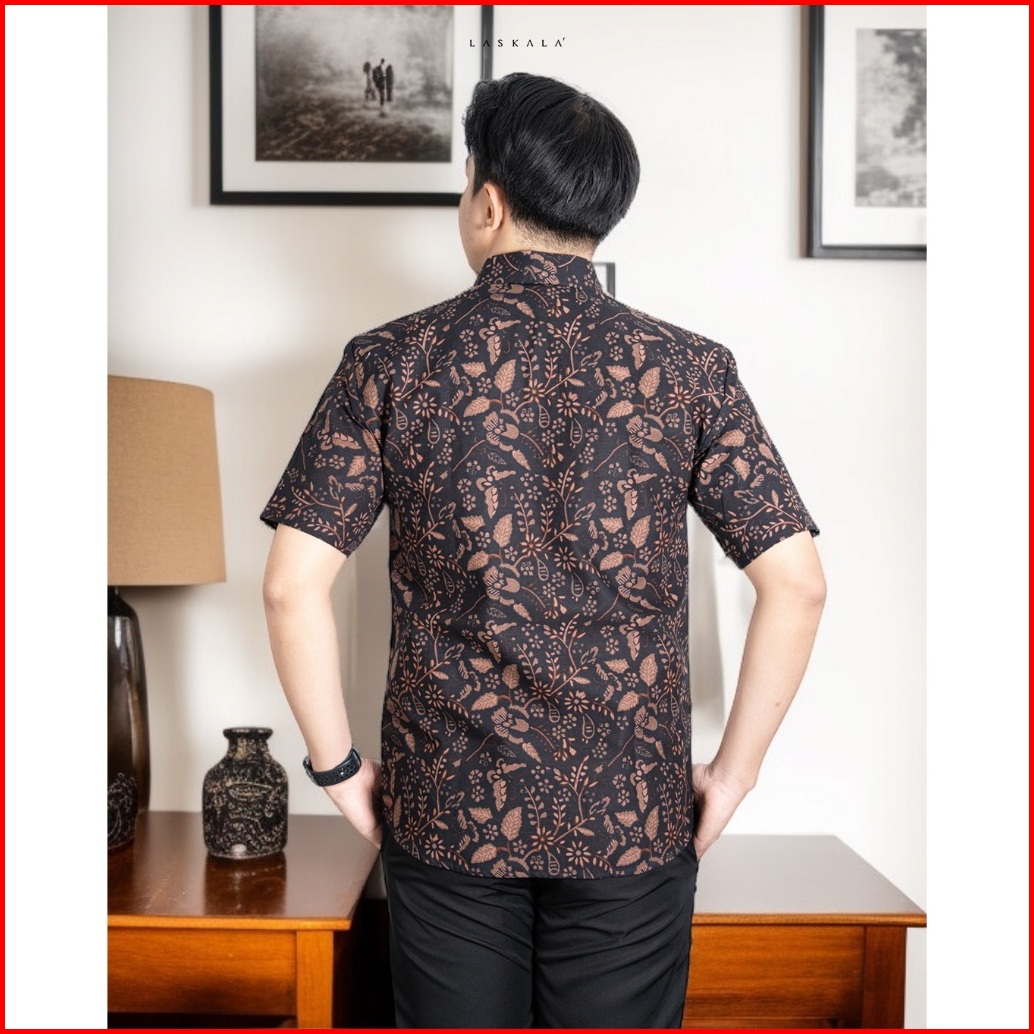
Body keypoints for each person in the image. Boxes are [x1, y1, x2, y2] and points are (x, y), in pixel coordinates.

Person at [261, 72, 825, 1029]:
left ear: (486, 202)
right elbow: (798, 586)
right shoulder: (691, 370)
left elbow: (290, 588)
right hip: (633, 814)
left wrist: (339, 771)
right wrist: (732, 778)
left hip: (449, 805)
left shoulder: (389, 362)